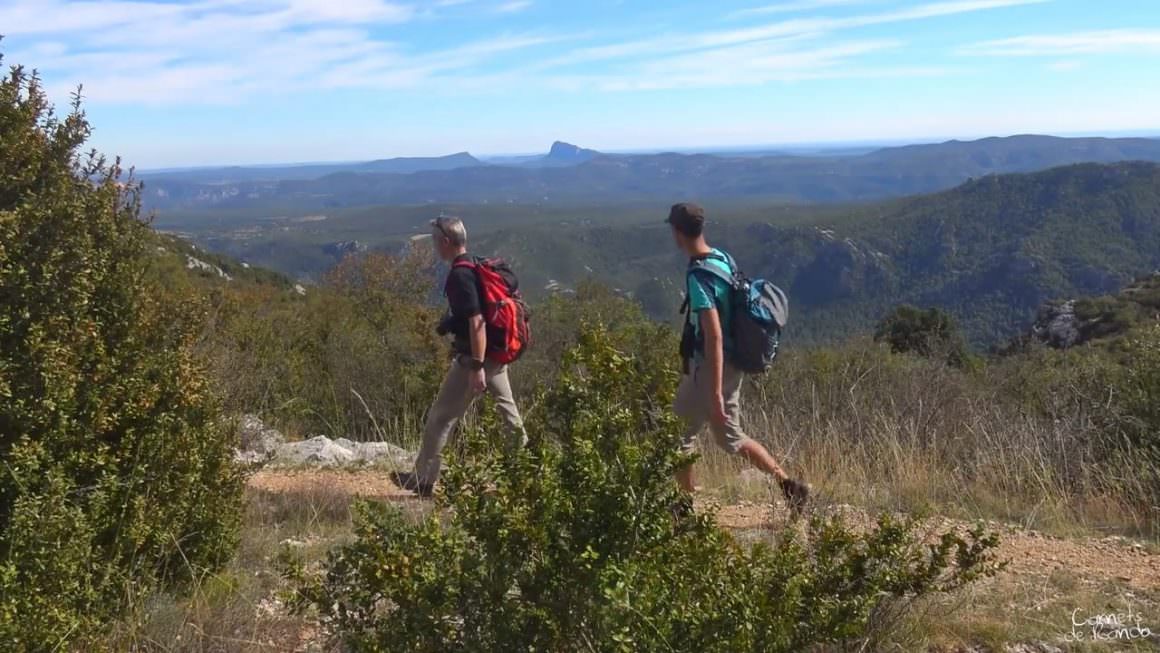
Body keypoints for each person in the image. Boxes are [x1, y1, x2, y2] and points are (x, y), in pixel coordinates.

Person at [666, 202, 809, 513]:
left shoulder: (699, 276)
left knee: (677, 437)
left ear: (678, 232)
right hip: (731, 364)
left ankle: (685, 507)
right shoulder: (721, 258)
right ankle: (789, 486)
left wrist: (714, 391)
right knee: (731, 439)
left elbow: (714, 335)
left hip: (709, 369)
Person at [392, 216, 528, 497]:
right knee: (508, 412)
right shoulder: (476, 265)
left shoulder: (459, 275)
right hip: (496, 353)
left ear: (445, 242)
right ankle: (527, 472)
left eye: (434, 242)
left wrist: (476, 366)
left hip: (476, 358)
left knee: (441, 417)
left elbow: (477, 322)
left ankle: (423, 480)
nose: (433, 247)